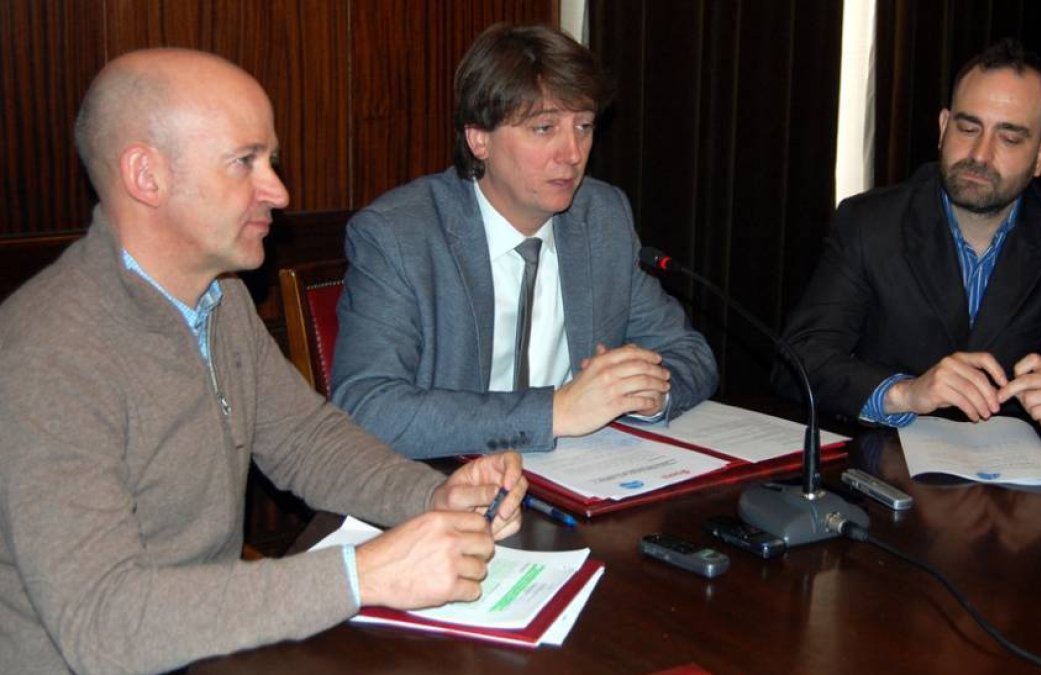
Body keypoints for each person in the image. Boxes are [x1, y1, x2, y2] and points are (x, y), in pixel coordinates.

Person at [0, 48, 527, 675]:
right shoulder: (47, 355)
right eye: (244, 161)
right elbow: (105, 624)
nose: (277, 190)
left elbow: (304, 442)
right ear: (146, 175)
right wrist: (363, 575)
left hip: (206, 646)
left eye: (270, 161)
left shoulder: (218, 298)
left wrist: (432, 495)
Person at [331, 23, 719, 459]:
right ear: (479, 139)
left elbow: (688, 353)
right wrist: (555, 412)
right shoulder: (398, 236)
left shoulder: (602, 217)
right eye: (544, 128)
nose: (572, 153)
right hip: (449, 482)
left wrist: (649, 393)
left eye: (584, 126)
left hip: (582, 476)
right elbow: (367, 408)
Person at [776, 38, 1041, 441]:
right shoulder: (870, 223)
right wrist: (905, 393)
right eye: (968, 128)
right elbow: (799, 362)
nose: (980, 155)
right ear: (942, 128)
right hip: (884, 462)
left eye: (1009, 138)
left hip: (1015, 474)